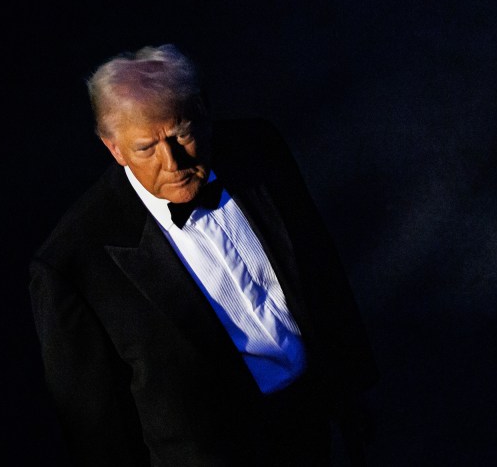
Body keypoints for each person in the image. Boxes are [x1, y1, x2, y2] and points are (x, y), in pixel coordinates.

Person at [29, 43, 378, 466]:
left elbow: (322, 270)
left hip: (318, 423)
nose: (171, 162)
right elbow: (96, 431)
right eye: (146, 148)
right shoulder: (72, 262)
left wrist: (359, 399)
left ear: (203, 111)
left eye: (181, 134)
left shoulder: (258, 148)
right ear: (114, 148)